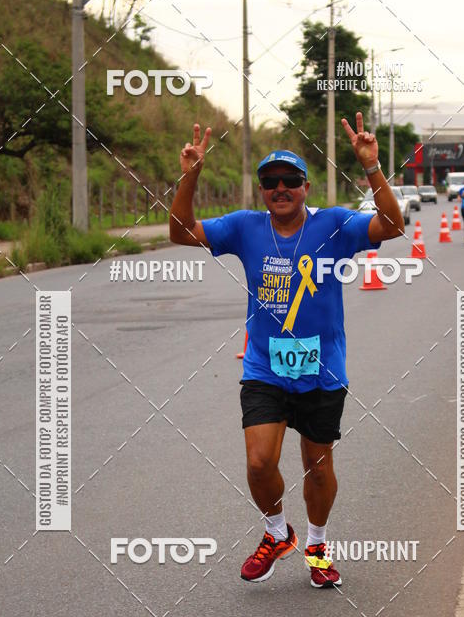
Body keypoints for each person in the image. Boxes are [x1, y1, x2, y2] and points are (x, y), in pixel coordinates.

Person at [169, 114, 403, 589]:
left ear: (305, 186)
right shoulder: (244, 227)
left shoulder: (335, 224)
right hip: (264, 366)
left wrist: (373, 167)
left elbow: (394, 226)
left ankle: (316, 544)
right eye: (270, 182)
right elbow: (180, 232)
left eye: (290, 181)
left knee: (317, 467)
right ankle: (277, 532)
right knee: (259, 463)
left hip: (323, 369)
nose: (280, 189)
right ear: (262, 190)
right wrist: (190, 175)